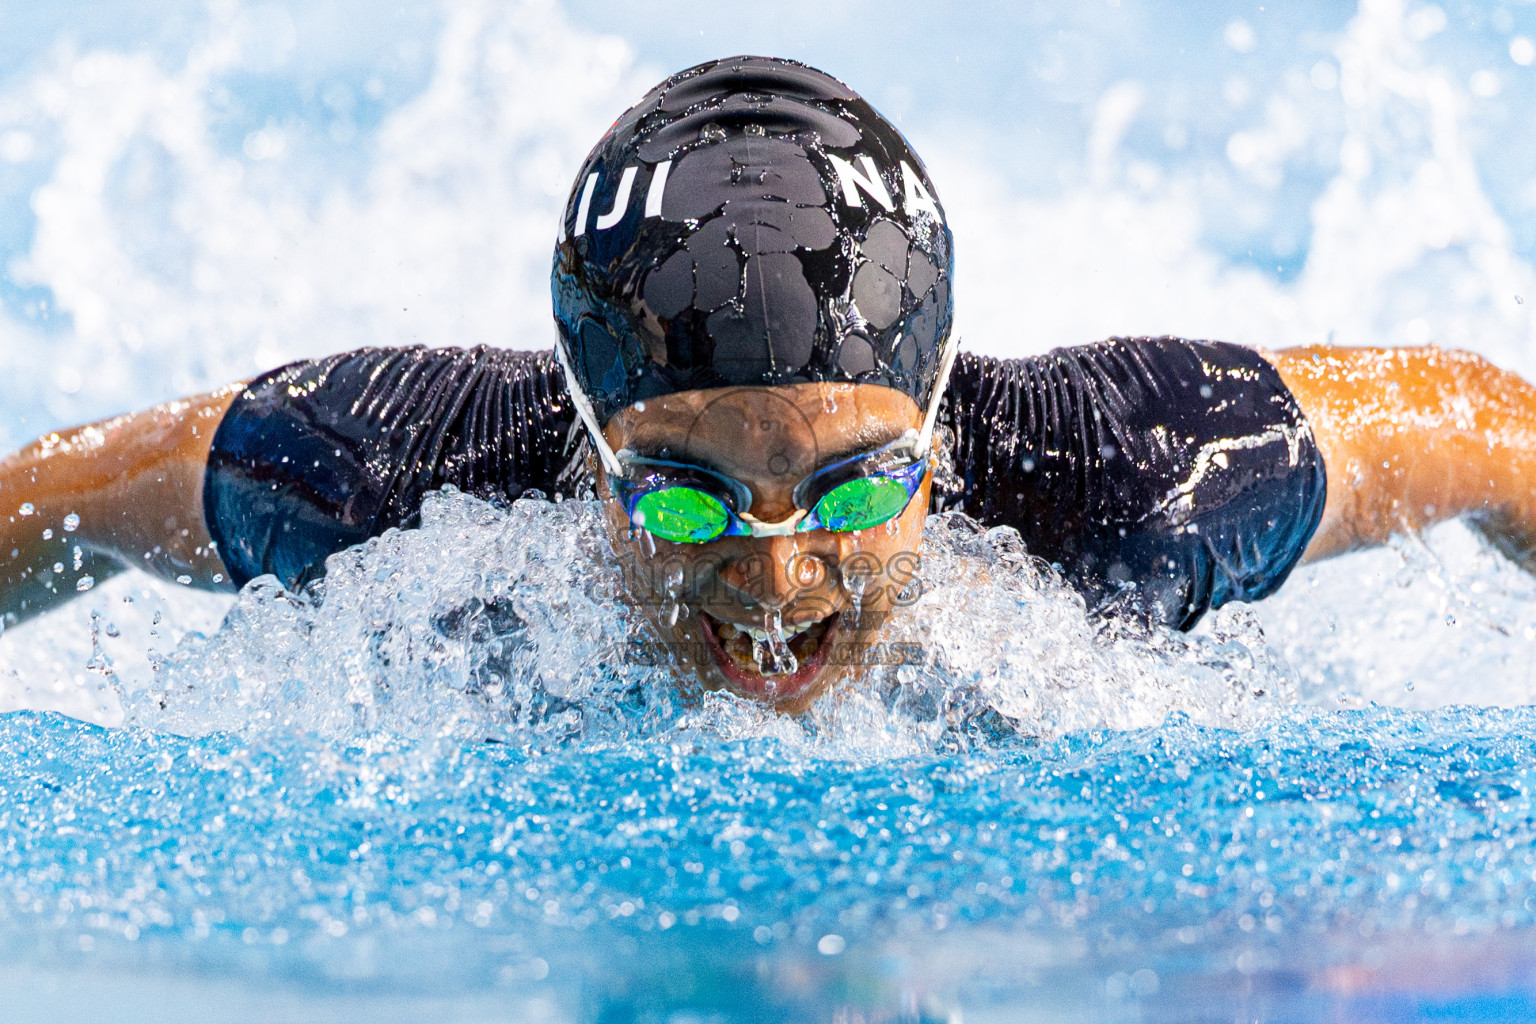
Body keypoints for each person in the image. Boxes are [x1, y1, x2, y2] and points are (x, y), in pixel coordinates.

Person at [4, 56, 1536, 713]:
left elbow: (1488, 428)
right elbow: (46, 499)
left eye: (862, 484)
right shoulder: (385, 482)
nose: (776, 575)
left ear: (935, 434)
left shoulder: (1132, 480)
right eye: (680, 492)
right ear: (589, 443)